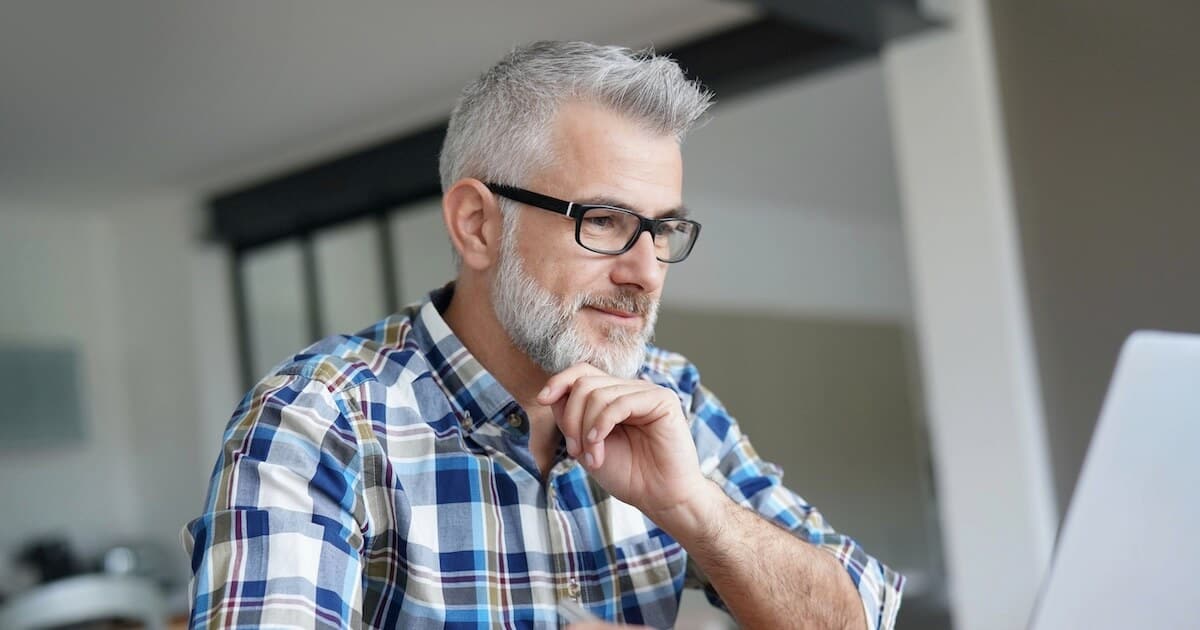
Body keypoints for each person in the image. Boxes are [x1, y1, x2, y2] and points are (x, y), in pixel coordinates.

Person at [184, 41, 904, 629]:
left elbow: (858, 618)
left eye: (663, 230)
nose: (647, 272)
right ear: (477, 225)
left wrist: (694, 508)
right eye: (606, 222)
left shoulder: (668, 394)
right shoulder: (317, 421)